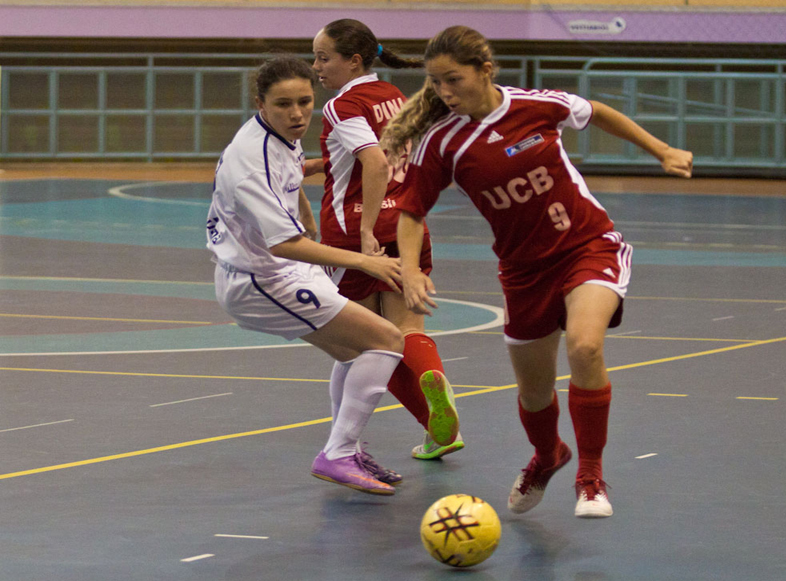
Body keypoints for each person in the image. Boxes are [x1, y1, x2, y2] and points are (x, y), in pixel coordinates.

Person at [382, 26, 693, 517]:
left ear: (486, 70)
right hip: (523, 271)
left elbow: (597, 112)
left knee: (585, 346)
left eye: (454, 79)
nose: (445, 92)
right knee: (534, 392)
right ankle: (548, 456)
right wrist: (410, 269)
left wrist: (662, 150)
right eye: (436, 83)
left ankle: (590, 477)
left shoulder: (536, 106)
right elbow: (411, 212)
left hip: (587, 245)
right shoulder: (442, 143)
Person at [206, 55, 408, 495]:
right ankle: (338, 453)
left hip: (277, 270)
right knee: (387, 340)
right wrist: (364, 261)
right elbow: (284, 243)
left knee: (354, 352)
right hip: (261, 280)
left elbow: (291, 171)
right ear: (260, 103)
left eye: (305, 101)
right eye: (284, 104)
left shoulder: (279, 135)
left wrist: (308, 199)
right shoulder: (251, 161)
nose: (297, 114)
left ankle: (346, 450)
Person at [311, 19, 462, 463]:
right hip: (406, 224)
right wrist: (323, 164)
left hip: (356, 233)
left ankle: (351, 446)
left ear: (353, 61)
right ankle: (438, 406)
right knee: (407, 330)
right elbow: (378, 152)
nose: (316, 66)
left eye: (323, 57)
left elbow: (374, 162)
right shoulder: (392, 95)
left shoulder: (342, 104)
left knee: (369, 343)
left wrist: (364, 230)